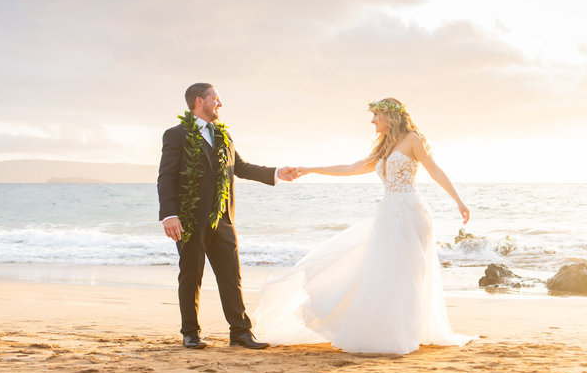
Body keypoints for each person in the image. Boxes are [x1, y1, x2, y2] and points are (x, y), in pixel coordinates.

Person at [255, 97, 472, 354]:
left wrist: (458, 200)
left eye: (375, 115)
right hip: (388, 213)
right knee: (386, 272)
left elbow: (434, 170)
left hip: (411, 213)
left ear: (389, 116)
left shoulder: (413, 139)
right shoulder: (384, 147)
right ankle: (388, 331)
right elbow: (351, 168)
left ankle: (406, 333)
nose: (372, 121)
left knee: (408, 273)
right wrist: (311, 169)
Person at [158, 83, 297, 350]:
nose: (220, 104)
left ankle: (241, 333)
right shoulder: (175, 135)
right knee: (191, 275)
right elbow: (166, 176)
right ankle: (190, 333)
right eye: (216, 99)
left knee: (231, 276)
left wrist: (278, 172)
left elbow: (240, 167)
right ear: (199, 101)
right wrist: (169, 215)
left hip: (224, 219)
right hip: (189, 219)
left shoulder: (223, 135)